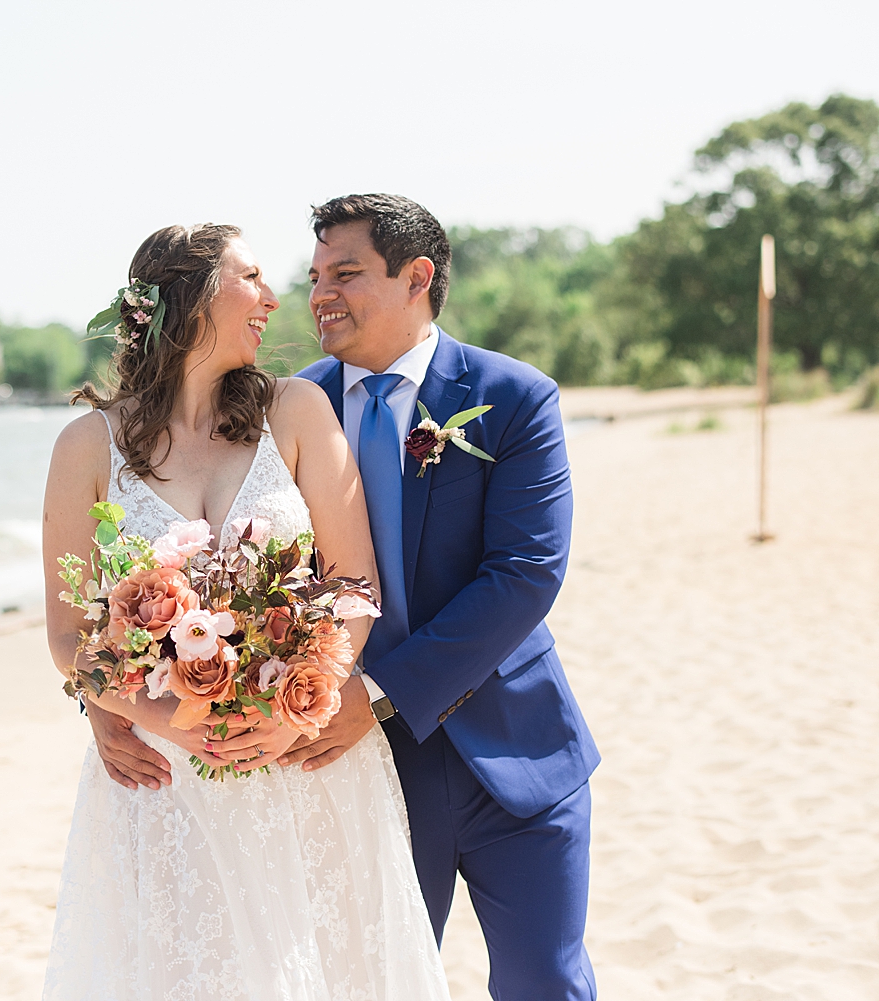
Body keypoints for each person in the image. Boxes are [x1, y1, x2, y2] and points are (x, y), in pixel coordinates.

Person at [41, 223, 450, 1000]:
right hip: (171, 776)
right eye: (253, 277)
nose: (274, 297)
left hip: (303, 758)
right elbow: (69, 637)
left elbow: (355, 583)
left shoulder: (295, 411)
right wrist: (163, 717)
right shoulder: (85, 446)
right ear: (191, 297)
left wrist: (304, 705)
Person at [290, 194, 599, 999]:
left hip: (518, 754)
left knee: (547, 983)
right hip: (368, 770)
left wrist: (382, 692)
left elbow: (527, 573)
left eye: (346, 273)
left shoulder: (514, 396)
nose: (321, 292)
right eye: (315, 274)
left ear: (417, 276)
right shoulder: (292, 408)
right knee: (378, 982)